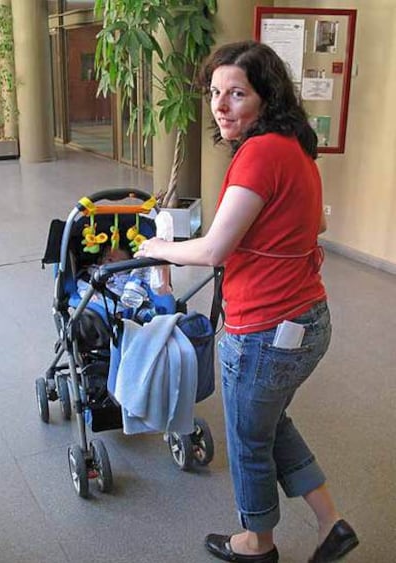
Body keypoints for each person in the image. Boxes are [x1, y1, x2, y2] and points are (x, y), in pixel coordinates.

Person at [135, 41, 359, 563]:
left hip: (264, 330)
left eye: (236, 93)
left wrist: (156, 247)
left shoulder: (258, 154)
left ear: (266, 96)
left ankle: (256, 544)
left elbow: (213, 249)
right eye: (215, 93)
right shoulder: (295, 146)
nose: (220, 104)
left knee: (248, 440)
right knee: (268, 423)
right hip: (308, 320)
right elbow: (316, 224)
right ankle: (332, 524)